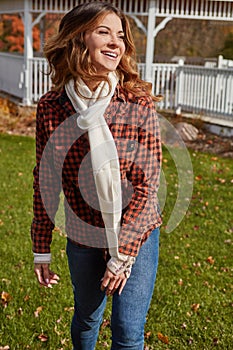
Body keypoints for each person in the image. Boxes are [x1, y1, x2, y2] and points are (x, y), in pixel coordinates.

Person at [31, 2, 162, 349]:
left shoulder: (137, 102)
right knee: (87, 318)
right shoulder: (52, 107)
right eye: (104, 32)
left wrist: (122, 256)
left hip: (137, 235)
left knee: (128, 331)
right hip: (84, 234)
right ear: (78, 39)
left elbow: (147, 183)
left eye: (120, 35)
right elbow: (46, 180)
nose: (115, 42)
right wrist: (41, 248)